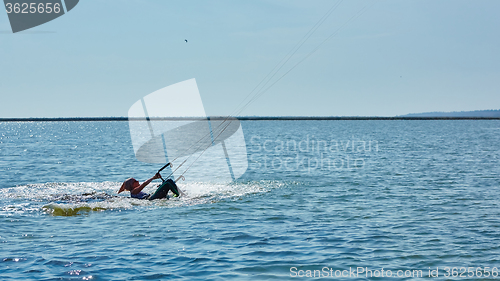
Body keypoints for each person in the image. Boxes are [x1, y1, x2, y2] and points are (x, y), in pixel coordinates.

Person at [118, 173, 184, 200]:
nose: (138, 181)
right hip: (151, 199)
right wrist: (153, 178)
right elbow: (144, 184)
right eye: (135, 181)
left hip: (152, 197)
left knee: (165, 184)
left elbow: (124, 184)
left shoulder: (134, 191)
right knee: (168, 181)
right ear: (132, 185)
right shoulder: (134, 191)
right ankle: (182, 195)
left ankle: (177, 194)